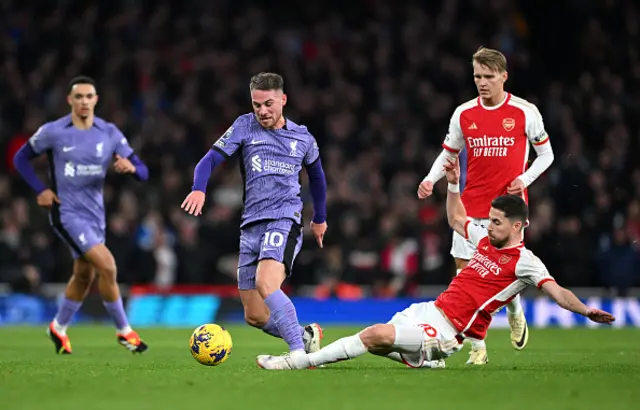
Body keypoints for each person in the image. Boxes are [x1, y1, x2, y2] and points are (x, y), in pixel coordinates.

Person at [256, 157, 614, 370]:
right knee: (380, 341)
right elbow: (458, 220)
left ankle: (295, 361)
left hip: (449, 332)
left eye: (497, 221)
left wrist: (585, 311)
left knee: (374, 335)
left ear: (518, 225)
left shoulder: (525, 262)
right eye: (489, 219)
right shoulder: (486, 239)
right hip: (430, 310)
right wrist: (454, 185)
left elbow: (557, 291)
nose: (489, 225)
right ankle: (427, 363)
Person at [417, 47, 555, 364]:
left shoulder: (524, 112)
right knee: (467, 276)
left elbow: (547, 155)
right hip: (470, 206)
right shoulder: (464, 114)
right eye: (477, 76)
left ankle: (514, 308)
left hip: (507, 210)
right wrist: (430, 178)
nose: (482, 82)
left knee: (502, 274)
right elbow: (449, 154)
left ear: (503, 77)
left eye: (489, 77)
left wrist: (525, 179)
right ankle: (478, 349)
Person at [181, 72, 326, 358]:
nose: (262, 111)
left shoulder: (302, 137)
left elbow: (318, 178)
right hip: (250, 226)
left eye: (268, 104)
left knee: (266, 282)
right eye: (256, 104)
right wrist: (199, 189)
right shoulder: (244, 126)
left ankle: (299, 355)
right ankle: (305, 336)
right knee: (255, 316)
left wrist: (319, 218)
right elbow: (209, 160)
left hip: (284, 219)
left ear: (283, 100)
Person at [12, 76, 150, 354]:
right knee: (108, 266)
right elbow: (20, 158)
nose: (84, 101)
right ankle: (125, 331)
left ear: (96, 100)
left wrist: (131, 169)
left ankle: (58, 328)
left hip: (95, 216)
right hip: (67, 212)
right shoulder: (53, 131)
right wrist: (41, 189)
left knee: (84, 275)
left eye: (89, 96)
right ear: (69, 100)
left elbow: (144, 172)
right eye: (79, 97)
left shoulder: (109, 132)